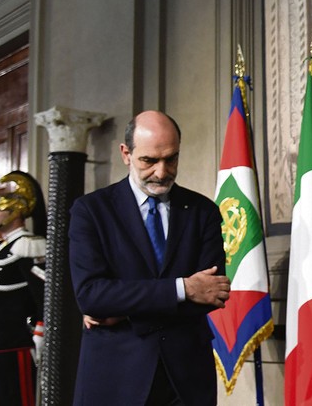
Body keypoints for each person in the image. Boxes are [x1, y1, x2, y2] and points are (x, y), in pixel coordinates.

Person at [68, 110, 230, 405]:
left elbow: (213, 292)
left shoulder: (202, 211)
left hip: (185, 380)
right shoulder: (91, 211)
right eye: (149, 161)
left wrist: (125, 309)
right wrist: (182, 288)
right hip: (115, 377)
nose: (161, 171)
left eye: (171, 159)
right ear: (126, 153)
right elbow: (91, 296)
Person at [0, 171, 47, 406]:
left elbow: (42, 294)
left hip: (18, 337)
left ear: (16, 212)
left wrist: (40, 332)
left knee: (21, 397)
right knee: (5, 396)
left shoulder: (28, 245)